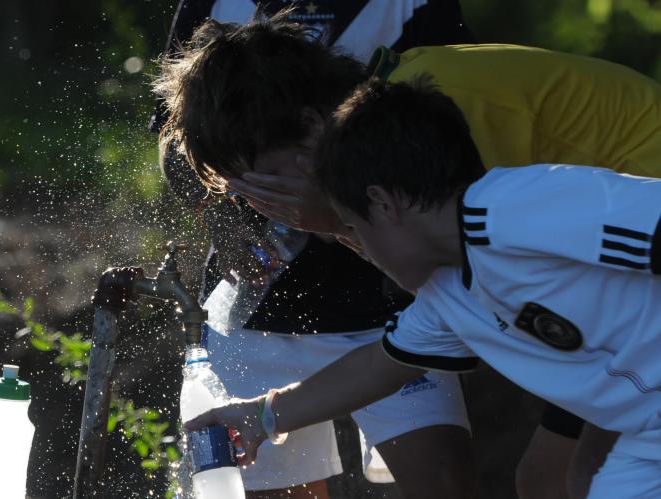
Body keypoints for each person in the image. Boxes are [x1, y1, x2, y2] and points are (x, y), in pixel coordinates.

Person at [155, 13, 661, 497]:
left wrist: (333, 217)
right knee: (569, 477)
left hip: (641, 199)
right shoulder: (449, 278)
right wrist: (261, 417)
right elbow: (385, 359)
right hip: (630, 350)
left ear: (311, 132)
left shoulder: (472, 165)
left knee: (565, 478)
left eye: (269, 188)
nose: (277, 213)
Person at [152, 2, 477, 498]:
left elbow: (447, 126)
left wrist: (334, 214)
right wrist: (221, 220)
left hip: (388, 293)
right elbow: (175, 129)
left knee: (444, 484)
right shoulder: (217, 4)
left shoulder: (409, 5)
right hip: (257, 304)